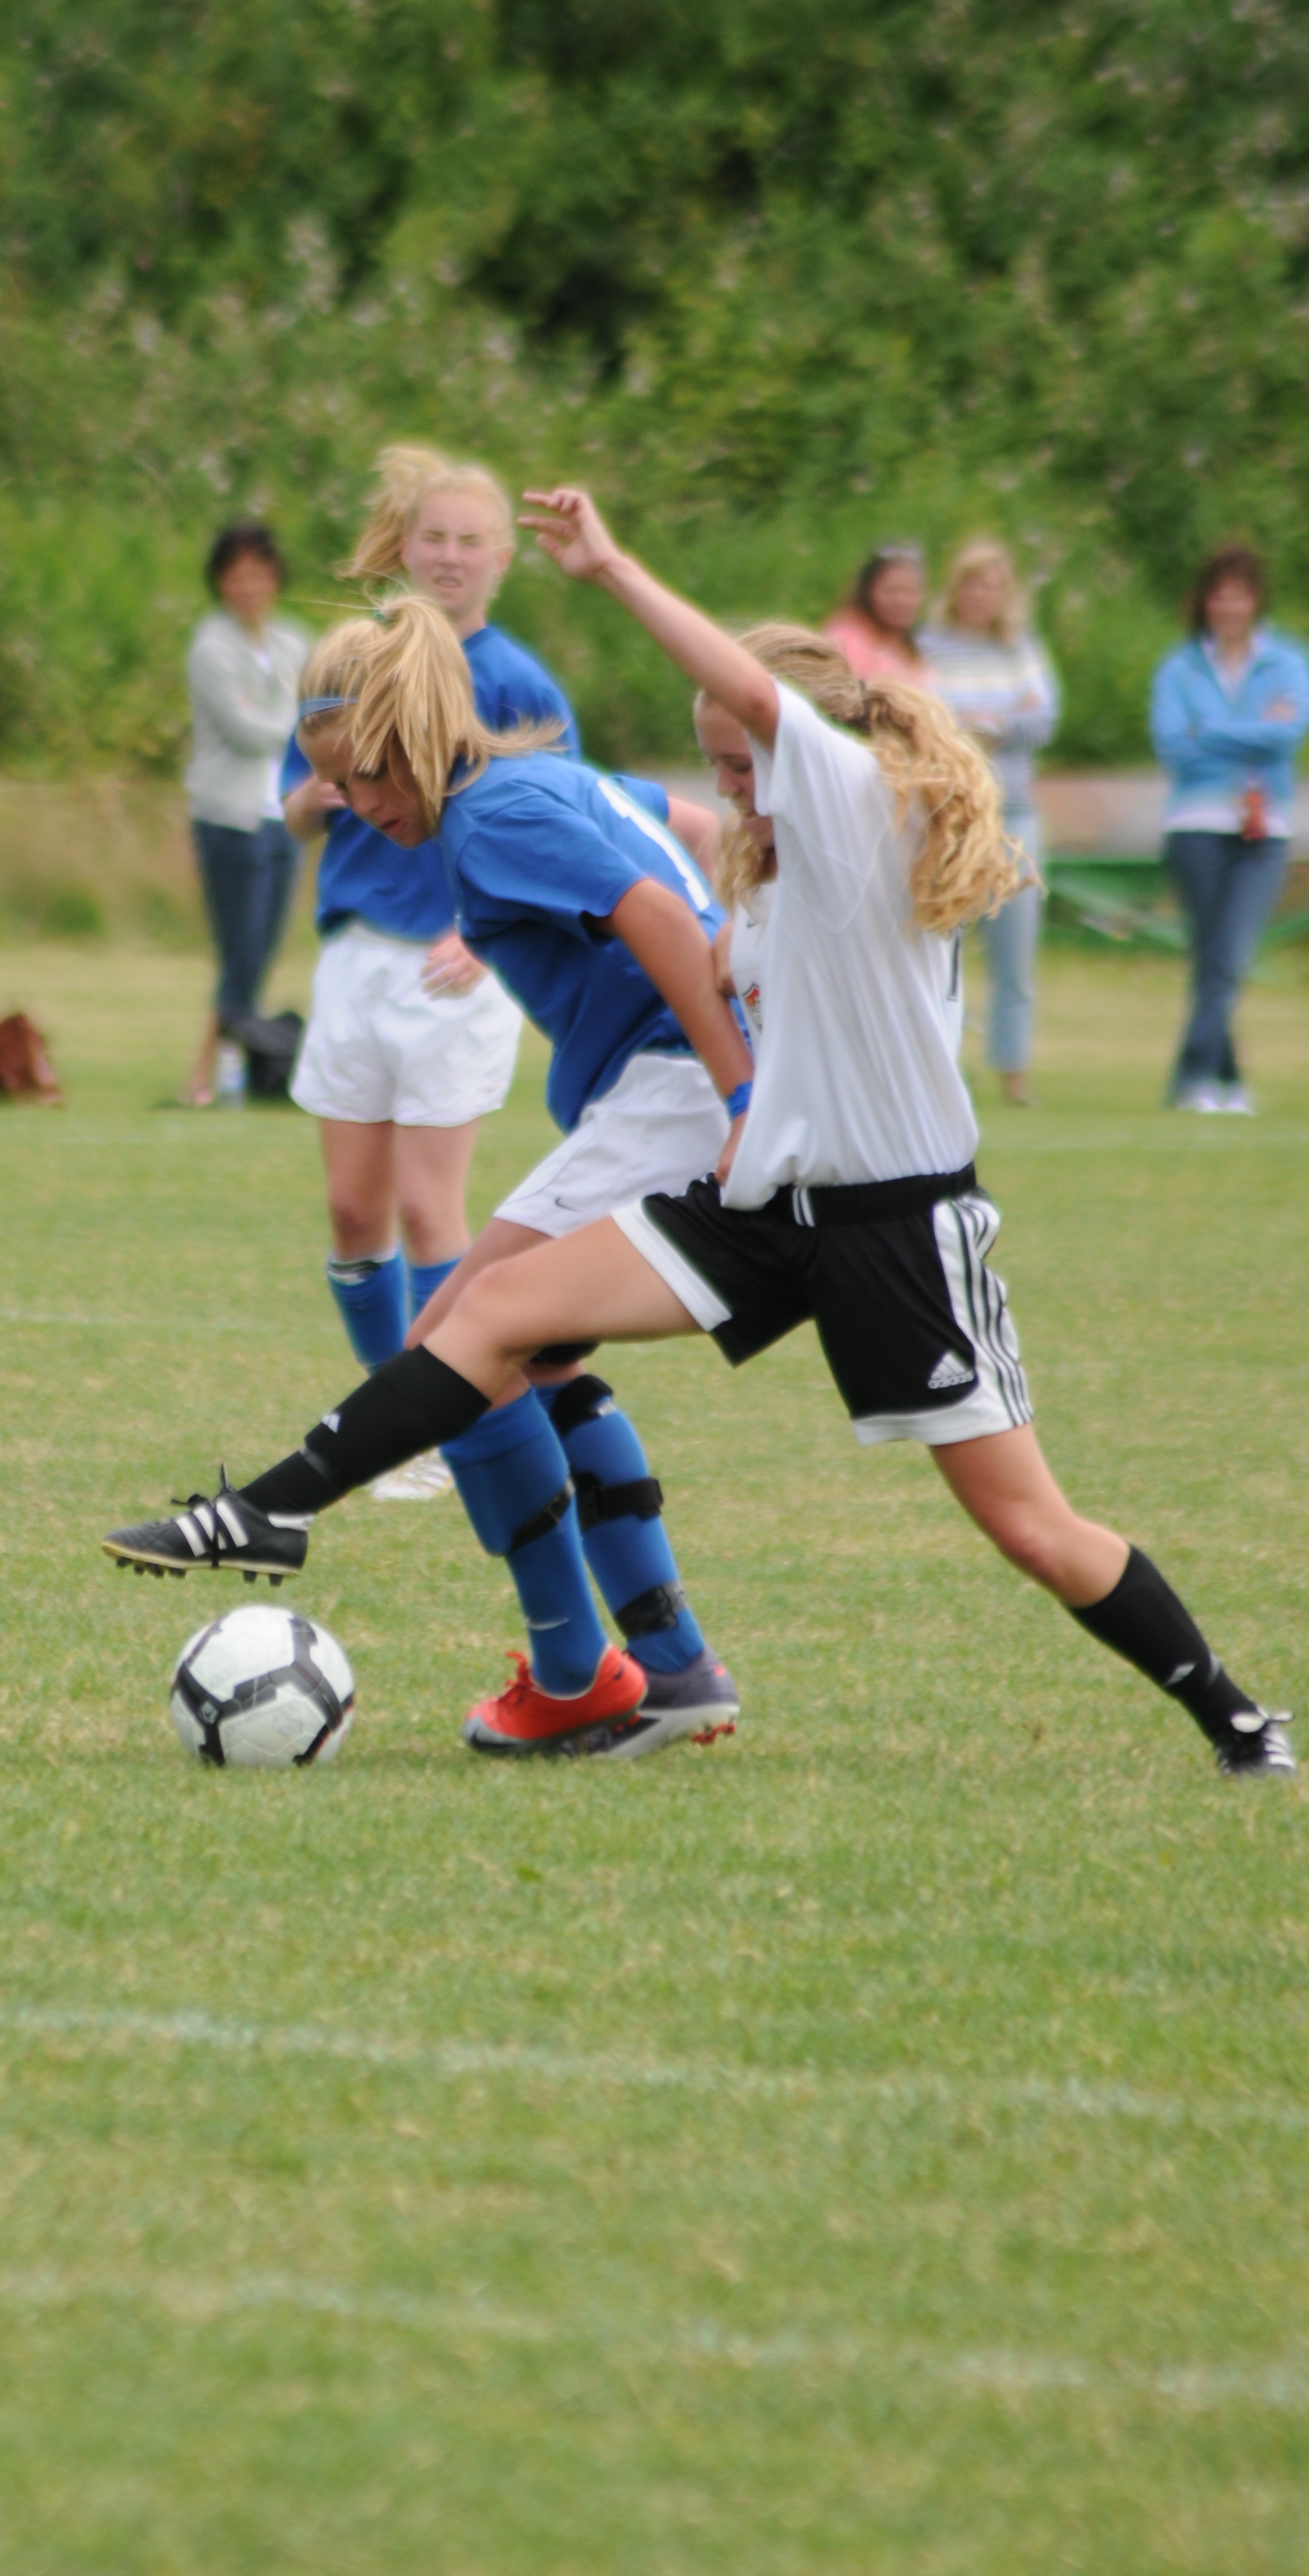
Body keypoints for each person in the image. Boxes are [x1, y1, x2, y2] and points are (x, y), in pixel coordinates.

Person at [103, 489, 1293, 1785]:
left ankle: (1239, 1722)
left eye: (737, 765)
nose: (727, 788)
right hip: (763, 1208)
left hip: (893, 1229)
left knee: (1030, 1528)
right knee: (492, 1314)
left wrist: (610, 569)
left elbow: (750, 708)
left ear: (802, 754)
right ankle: (274, 1508)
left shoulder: (854, 811)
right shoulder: (773, 876)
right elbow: (685, 884)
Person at [115, 598, 752, 1760]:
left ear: (417, 730)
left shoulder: (491, 814)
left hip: (676, 1087)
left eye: (365, 775)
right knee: (527, 1356)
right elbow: (689, 832)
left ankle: (559, 1664)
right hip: (670, 1084)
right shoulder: (543, 779)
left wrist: (744, 1096)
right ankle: (667, 1663)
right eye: (335, 783)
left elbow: (661, 914)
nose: (357, 805)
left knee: (456, 1343)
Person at [280, 448, 719, 1510]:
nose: (448, 556)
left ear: (502, 557)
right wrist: (314, 799)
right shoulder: (353, 670)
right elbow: (294, 809)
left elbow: (607, 856)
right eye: (431, 537)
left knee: (456, 1273)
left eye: (469, 539)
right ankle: (407, 1417)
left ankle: (406, 1431)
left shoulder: (502, 742)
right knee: (365, 1218)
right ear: (404, 547)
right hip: (361, 958)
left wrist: (744, 1079)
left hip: (511, 999)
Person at [1150, 543, 1309, 1115]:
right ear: (1205, 602)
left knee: (1231, 955)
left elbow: (1287, 735)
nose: (1228, 607)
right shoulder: (1181, 666)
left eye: (1239, 596)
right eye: (1219, 597)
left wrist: (1210, 729)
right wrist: (1251, 731)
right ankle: (1223, 1078)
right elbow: (1174, 744)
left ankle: (1193, 1075)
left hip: (1263, 826)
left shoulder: (1285, 661)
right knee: (1212, 958)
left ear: (1255, 600)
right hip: (1197, 822)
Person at [920, 541, 1059, 1107]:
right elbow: (928, 716)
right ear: (956, 589)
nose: (983, 596)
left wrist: (988, 723)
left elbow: (1042, 718)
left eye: (994, 586)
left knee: (1015, 949)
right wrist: (980, 722)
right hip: (949, 814)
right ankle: (941, 1066)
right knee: (941, 947)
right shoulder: (930, 648)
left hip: (1013, 813)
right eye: (974, 584)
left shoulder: (1020, 648)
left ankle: (1012, 1069)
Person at [182, 522, 309, 1105]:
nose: (249, 587)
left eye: (259, 574)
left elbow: (316, 709)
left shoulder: (293, 643)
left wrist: (301, 721)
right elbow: (245, 729)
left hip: (283, 814)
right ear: (220, 582)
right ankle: (209, 1075)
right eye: (237, 576)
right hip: (229, 817)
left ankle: (229, 1069)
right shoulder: (211, 647)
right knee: (240, 952)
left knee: (261, 952)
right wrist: (301, 723)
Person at [825, 544, 932, 690]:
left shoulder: (917, 645)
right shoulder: (844, 640)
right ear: (868, 591)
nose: (901, 601)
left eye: (910, 591)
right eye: (891, 590)